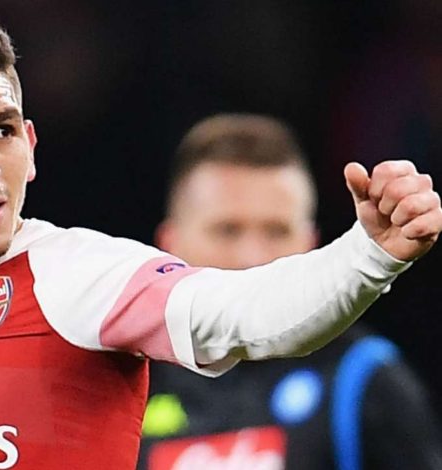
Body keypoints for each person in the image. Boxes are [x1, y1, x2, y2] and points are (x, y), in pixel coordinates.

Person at [0, 2, 442, 469]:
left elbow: (246, 312)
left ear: (30, 144)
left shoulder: (76, 276)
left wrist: (368, 255)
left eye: (0, 132)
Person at [139, 114, 442, 470]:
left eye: (277, 231)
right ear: (169, 246)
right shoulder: (125, 386)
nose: (252, 258)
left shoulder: (362, 379)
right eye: (227, 230)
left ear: (311, 244)